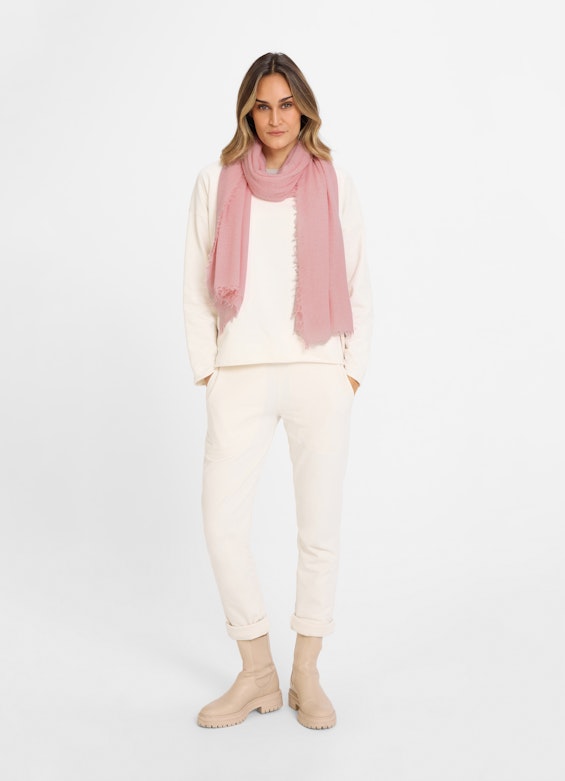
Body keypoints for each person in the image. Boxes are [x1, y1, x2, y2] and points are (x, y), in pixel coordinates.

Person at [183, 52, 372, 730]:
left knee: (318, 530)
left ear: (304, 109)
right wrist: (209, 371)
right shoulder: (215, 181)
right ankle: (257, 671)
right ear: (246, 112)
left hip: (318, 372)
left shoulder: (332, 180)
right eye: (261, 106)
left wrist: (350, 372)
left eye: (286, 104)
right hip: (239, 374)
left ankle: (306, 673)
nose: (274, 118)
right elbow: (195, 283)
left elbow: (357, 278)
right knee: (221, 525)